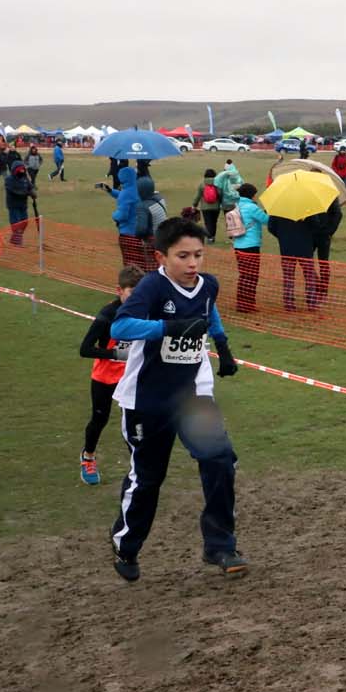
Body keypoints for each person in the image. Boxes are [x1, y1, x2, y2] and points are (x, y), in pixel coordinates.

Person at [103, 218, 243, 582]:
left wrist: (223, 346)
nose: (192, 263)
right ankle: (126, 544)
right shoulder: (151, 287)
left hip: (193, 395)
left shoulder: (208, 284)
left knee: (220, 460)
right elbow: (120, 327)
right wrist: (167, 328)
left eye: (198, 254)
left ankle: (221, 545)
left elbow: (208, 310)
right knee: (149, 478)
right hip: (147, 400)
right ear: (162, 257)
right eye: (183, 256)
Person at [76, 266, 145, 485]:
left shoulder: (144, 312)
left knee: (135, 421)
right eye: (132, 293)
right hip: (104, 377)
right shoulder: (107, 316)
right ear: (119, 290)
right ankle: (88, 457)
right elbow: (85, 349)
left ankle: (139, 465)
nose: (138, 298)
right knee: (100, 418)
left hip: (130, 377)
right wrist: (116, 353)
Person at [224, 183, 268, 314]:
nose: (256, 196)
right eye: (255, 194)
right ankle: (248, 305)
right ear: (251, 195)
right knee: (252, 276)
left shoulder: (238, 206)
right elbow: (266, 220)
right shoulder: (252, 208)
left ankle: (242, 303)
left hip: (238, 246)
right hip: (251, 246)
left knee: (244, 275)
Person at [267, 212, 316, 311]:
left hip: (287, 247)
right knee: (309, 276)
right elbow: (316, 226)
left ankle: (289, 303)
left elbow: (271, 227)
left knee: (288, 277)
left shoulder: (279, 209)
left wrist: (282, 236)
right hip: (305, 247)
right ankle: (311, 302)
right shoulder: (308, 208)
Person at [306, 200, 342, 309]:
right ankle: (317, 286)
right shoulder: (304, 194)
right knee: (307, 262)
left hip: (323, 234)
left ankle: (323, 291)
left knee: (323, 263)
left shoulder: (329, 195)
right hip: (308, 234)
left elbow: (338, 214)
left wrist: (330, 231)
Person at [131, 173, 167, 263]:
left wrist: (135, 234)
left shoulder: (142, 206)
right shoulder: (160, 198)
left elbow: (141, 230)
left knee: (151, 265)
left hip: (152, 241)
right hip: (165, 236)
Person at [5, 161, 35, 247]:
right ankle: (18, 242)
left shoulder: (25, 178)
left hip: (23, 205)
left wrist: (32, 191)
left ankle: (14, 239)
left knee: (24, 223)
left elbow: (30, 186)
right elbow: (15, 192)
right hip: (13, 205)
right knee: (16, 223)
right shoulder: (9, 179)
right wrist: (27, 193)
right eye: (20, 170)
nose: (21, 172)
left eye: (23, 170)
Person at [195, 168, 223, 242]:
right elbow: (220, 194)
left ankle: (209, 237)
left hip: (205, 207)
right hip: (216, 207)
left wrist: (194, 205)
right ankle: (212, 237)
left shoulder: (202, 184)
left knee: (208, 222)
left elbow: (198, 196)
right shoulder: (217, 183)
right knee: (214, 222)